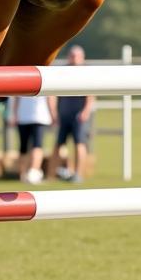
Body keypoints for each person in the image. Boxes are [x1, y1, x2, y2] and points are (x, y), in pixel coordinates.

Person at [54, 44, 96, 183]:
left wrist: (85, 111)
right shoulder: (63, 71)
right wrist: (55, 113)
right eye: (72, 55)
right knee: (59, 144)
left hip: (79, 114)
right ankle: (60, 172)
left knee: (79, 143)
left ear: (82, 57)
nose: (74, 58)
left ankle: (78, 173)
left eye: (77, 56)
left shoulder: (86, 72)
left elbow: (91, 95)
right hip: (64, 113)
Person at [10, 92, 54, 184]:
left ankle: (23, 175)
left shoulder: (21, 79)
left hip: (23, 116)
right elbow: (50, 97)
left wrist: (14, 114)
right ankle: (33, 173)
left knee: (24, 147)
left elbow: (16, 97)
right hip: (39, 116)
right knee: (37, 146)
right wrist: (53, 115)